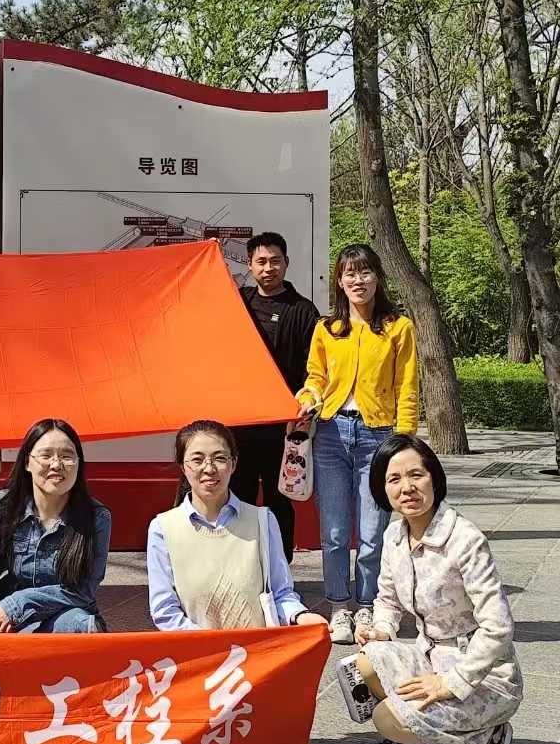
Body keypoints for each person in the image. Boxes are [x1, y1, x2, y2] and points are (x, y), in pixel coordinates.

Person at [351, 435, 520, 744]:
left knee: (387, 717)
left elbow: (498, 627)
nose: (407, 487)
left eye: (416, 475)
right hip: (429, 655)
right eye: (394, 479)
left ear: (434, 478)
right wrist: (380, 630)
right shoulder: (394, 535)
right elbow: (387, 599)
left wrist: (450, 683)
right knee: (367, 661)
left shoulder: (465, 540)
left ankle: (490, 735)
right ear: (382, 489)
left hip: (483, 673)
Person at [298, 243, 420, 645]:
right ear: (339, 280)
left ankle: (367, 605)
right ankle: (338, 606)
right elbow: (315, 376)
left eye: (365, 272)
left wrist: (404, 439)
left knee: (372, 531)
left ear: (377, 277)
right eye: (349, 273)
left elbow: (407, 385)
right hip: (330, 433)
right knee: (334, 531)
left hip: (377, 435)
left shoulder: (398, 327)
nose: (358, 280)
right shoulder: (327, 328)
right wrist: (308, 396)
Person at [147, 419, 328, 632]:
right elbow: (165, 611)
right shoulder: (163, 528)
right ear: (183, 467)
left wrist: (300, 615)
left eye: (219, 458)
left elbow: (281, 593)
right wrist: (215, 645)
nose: (209, 468)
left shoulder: (262, 521)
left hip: (256, 650)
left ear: (233, 464)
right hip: (198, 651)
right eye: (197, 460)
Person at [232, 231, 320, 561]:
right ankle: (241, 566)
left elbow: (315, 366)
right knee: (237, 495)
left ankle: (281, 566)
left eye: (275, 261)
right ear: (250, 265)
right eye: (261, 262)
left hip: (282, 424)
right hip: (240, 421)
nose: (268, 268)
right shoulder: (236, 302)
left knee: (279, 496)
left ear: (286, 263)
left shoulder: (303, 311)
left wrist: (307, 403)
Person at [0, 419, 111, 633]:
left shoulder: (97, 518)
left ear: (79, 463)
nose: (56, 465)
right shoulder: (4, 508)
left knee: (77, 625)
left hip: (67, 615)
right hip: (13, 620)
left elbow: (83, 591)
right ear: (27, 462)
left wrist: (19, 602)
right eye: (46, 455)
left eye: (67, 456)